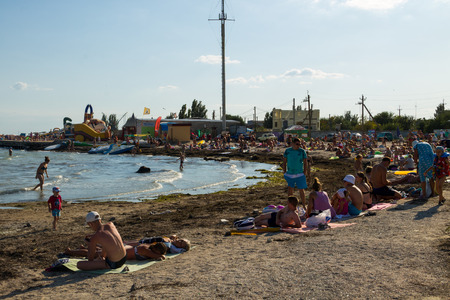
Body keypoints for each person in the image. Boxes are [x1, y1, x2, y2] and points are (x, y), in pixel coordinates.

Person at [282, 137, 309, 209]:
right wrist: (284, 171)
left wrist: (305, 172)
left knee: (301, 190)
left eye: (300, 144)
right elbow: (284, 161)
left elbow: (305, 162)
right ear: (293, 143)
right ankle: (290, 205)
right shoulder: (287, 151)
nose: (298, 146)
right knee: (290, 190)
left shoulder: (302, 151)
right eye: (297, 144)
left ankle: (304, 205)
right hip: (290, 173)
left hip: (300, 173)